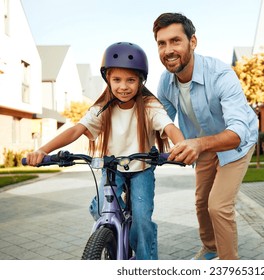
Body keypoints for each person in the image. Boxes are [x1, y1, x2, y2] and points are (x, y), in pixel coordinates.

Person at [26, 42, 184, 259]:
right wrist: (42, 150)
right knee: (101, 210)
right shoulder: (102, 108)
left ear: (141, 81)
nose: (123, 86)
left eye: (131, 80)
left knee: (141, 220)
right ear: (107, 80)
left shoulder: (149, 105)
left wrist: (182, 145)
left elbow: (169, 127)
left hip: (142, 169)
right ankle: (112, 231)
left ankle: (146, 264)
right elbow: (75, 131)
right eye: (116, 80)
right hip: (112, 169)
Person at [152, 13, 258, 260]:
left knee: (218, 206)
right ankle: (210, 249)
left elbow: (237, 133)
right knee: (201, 202)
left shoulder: (221, 74)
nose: (168, 50)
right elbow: (160, 123)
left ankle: (230, 264)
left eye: (175, 41)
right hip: (202, 145)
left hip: (235, 143)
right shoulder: (166, 82)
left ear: (193, 42)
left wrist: (198, 144)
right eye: (161, 43)